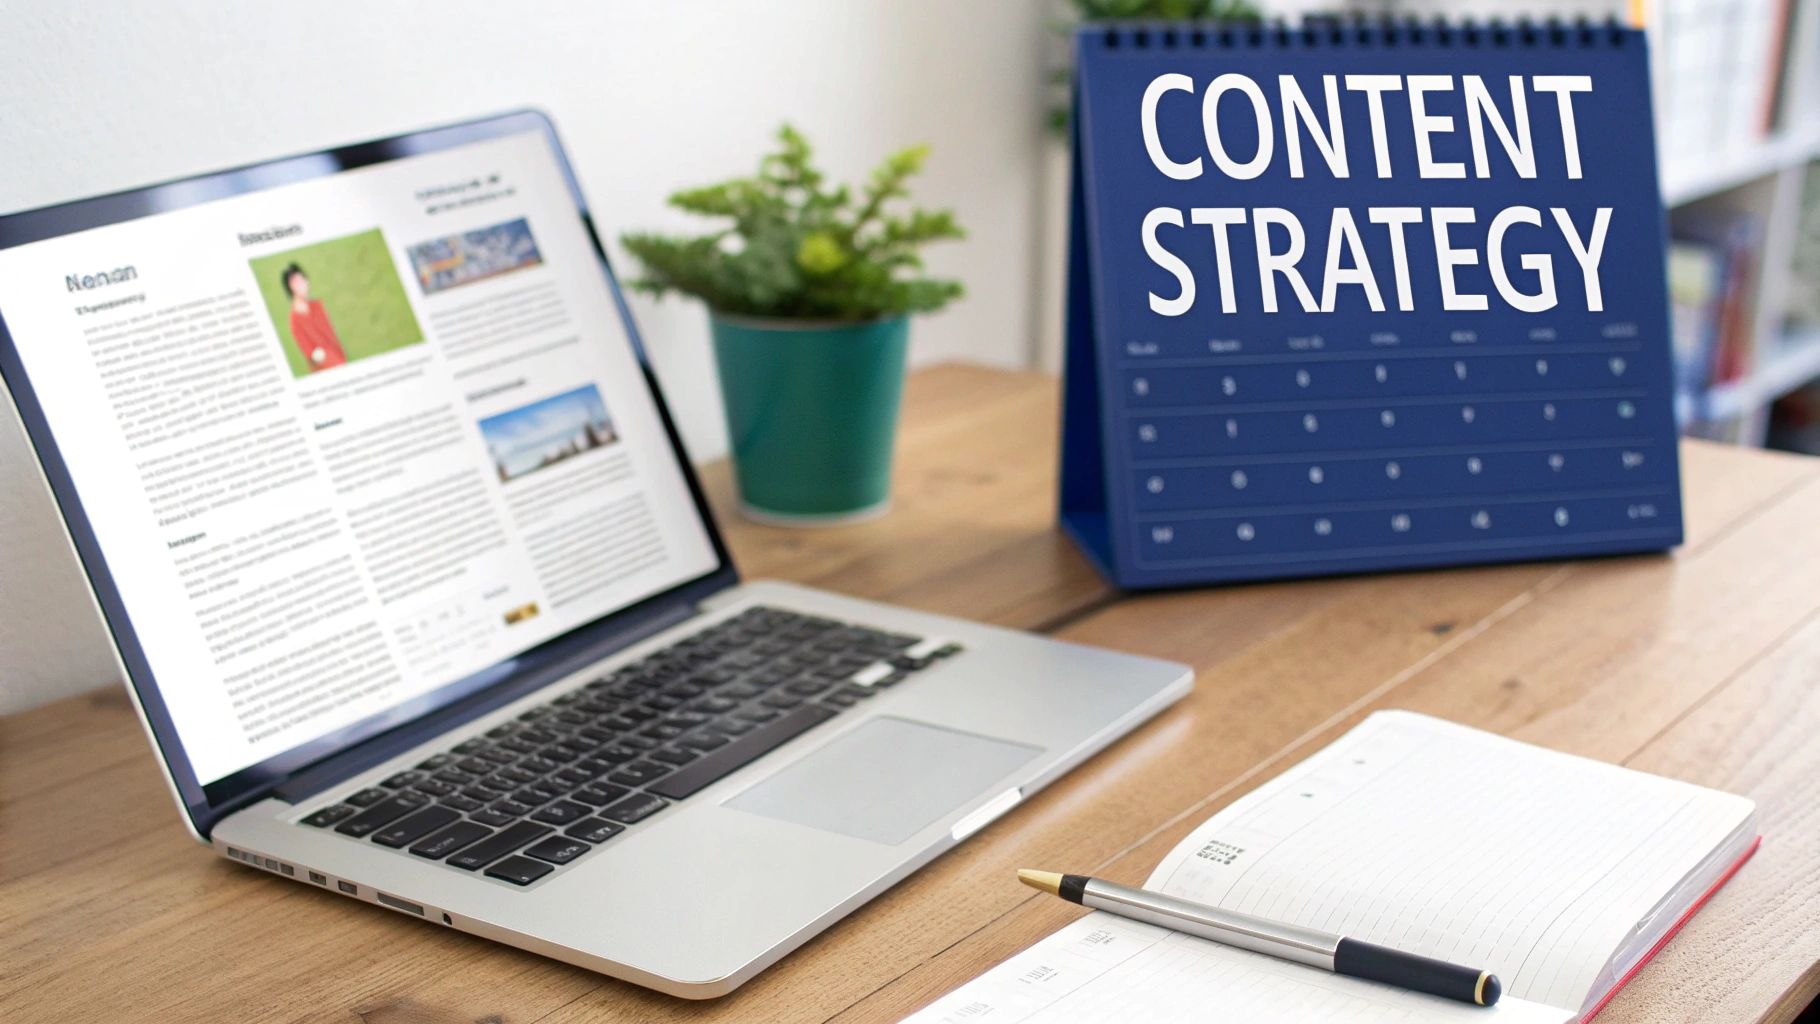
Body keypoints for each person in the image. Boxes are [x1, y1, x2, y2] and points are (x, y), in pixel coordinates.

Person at [280, 263, 347, 372]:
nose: (303, 284)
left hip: (340, 359)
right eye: (296, 282)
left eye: (303, 279)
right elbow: (312, 355)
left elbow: (332, 336)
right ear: (291, 287)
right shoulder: (294, 321)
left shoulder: (318, 306)